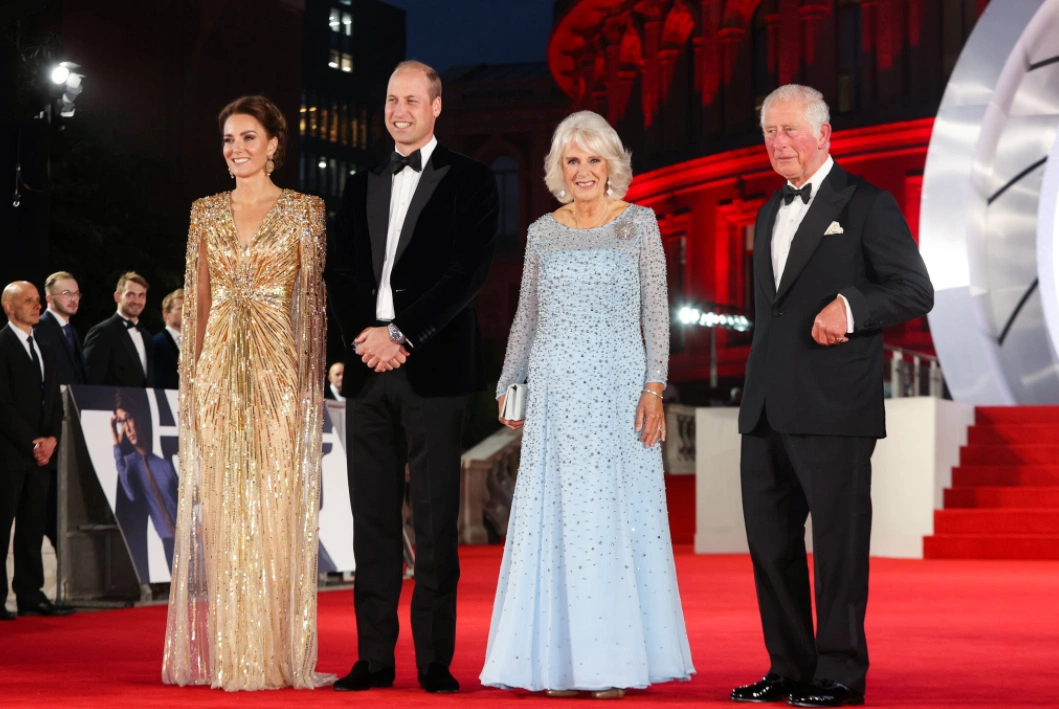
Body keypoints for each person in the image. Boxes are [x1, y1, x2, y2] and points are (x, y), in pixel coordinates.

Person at [731, 85, 933, 708]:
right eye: (770, 132)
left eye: (790, 130)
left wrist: (852, 306)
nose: (779, 143)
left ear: (824, 135)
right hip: (765, 408)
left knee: (839, 549)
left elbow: (914, 290)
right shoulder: (767, 210)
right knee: (771, 548)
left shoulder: (866, 204)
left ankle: (840, 672)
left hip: (835, 407)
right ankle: (788, 667)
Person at [481, 111, 694, 698]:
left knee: (611, 522)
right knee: (557, 521)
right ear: (558, 168)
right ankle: (558, 661)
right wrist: (509, 381)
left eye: (593, 159)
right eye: (572, 161)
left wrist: (655, 387)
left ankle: (613, 663)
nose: (583, 171)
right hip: (555, 394)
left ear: (612, 165)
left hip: (619, 391)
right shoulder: (542, 232)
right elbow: (526, 316)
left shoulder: (640, 225)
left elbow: (657, 313)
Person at [324, 60, 498, 695]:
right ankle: (373, 658)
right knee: (369, 520)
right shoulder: (357, 182)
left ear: (436, 106)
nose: (400, 110)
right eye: (392, 98)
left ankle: (433, 660)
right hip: (369, 373)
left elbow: (468, 272)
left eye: (412, 99)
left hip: (435, 371)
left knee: (433, 521)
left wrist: (403, 334)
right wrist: (364, 340)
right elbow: (337, 272)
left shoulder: (472, 179)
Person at [162, 95, 330, 691]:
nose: (237, 149)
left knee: (275, 502)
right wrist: (194, 375)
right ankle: (238, 654)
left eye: (249, 138)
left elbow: (312, 307)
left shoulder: (306, 210)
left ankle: (280, 651)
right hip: (216, 371)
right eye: (229, 139)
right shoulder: (204, 211)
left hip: (279, 369)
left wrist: (311, 382)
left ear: (274, 143)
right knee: (229, 509)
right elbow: (199, 298)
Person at [0, 282, 73, 619]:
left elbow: (54, 401)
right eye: (27, 301)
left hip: (41, 456)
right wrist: (33, 442)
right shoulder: (2, 344)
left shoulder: (43, 345)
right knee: (3, 528)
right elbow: (4, 405)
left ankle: (30, 593)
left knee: (31, 526)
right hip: (11, 455)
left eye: (37, 300)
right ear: (8, 307)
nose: (36, 306)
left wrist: (52, 440)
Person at [33, 271, 88, 551]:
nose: (73, 299)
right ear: (49, 298)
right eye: (66, 293)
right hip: (50, 430)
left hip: (72, 428)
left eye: (76, 293)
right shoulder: (40, 329)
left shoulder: (73, 332)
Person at [110, 389, 179, 571]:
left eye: (129, 419)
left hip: (188, 538)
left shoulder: (164, 465)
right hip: (166, 542)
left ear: (138, 418)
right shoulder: (129, 464)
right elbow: (131, 494)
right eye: (121, 422)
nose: (127, 428)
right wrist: (116, 445)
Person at [84, 272, 155, 388]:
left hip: (143, 405)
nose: (137, 301)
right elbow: (92, 380)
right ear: (117, 297)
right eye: (130, 295)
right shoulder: (102, 332)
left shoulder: (147, 337)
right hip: (111, 405)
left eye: (141, 295)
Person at [153, 289, 183, 390]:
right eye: (181, 309)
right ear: (166, 314)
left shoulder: (196, 344)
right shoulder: (155, 343)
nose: (188, 312)